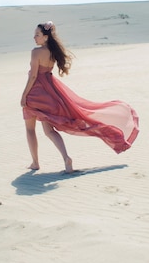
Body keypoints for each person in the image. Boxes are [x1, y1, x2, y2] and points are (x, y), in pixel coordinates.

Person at [20, 21, 139, 173]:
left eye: (37, 35)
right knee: (49, 131)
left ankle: (35, 162)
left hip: (36, 93)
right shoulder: (52, 52)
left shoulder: (36, 52)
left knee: (30, 129)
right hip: (51, 93)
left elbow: (34, 76)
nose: (34, 37)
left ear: (45, 37)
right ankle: (65, 158)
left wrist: (24, 95)